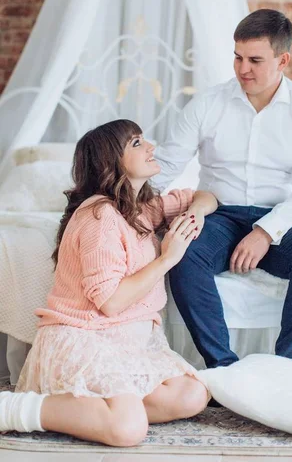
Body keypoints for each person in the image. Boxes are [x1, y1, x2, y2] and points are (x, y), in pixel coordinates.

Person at [0, 119, 217, 446]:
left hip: (129, 345)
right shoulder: (99, 217)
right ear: (111, 162)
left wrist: (196, 213)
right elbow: (111, 302)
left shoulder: (141, 209)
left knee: (192, 395)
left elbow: (205, 196)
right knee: (128, 430)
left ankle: (102, 408)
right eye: (136, 143)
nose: (150, 147)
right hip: (86, 339)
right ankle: (12, 407)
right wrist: (167, 259)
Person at [152, 8, 292, 370]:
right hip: (219, 216)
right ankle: (224, 368)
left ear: (283, 60)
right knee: (182, 249)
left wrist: (265, 231)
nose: (243, 70)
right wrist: (116, 199)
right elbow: (167, 166)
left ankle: (288, 368)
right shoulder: (207, 104)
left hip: (284, 222)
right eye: (237, 57)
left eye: (255, 60)